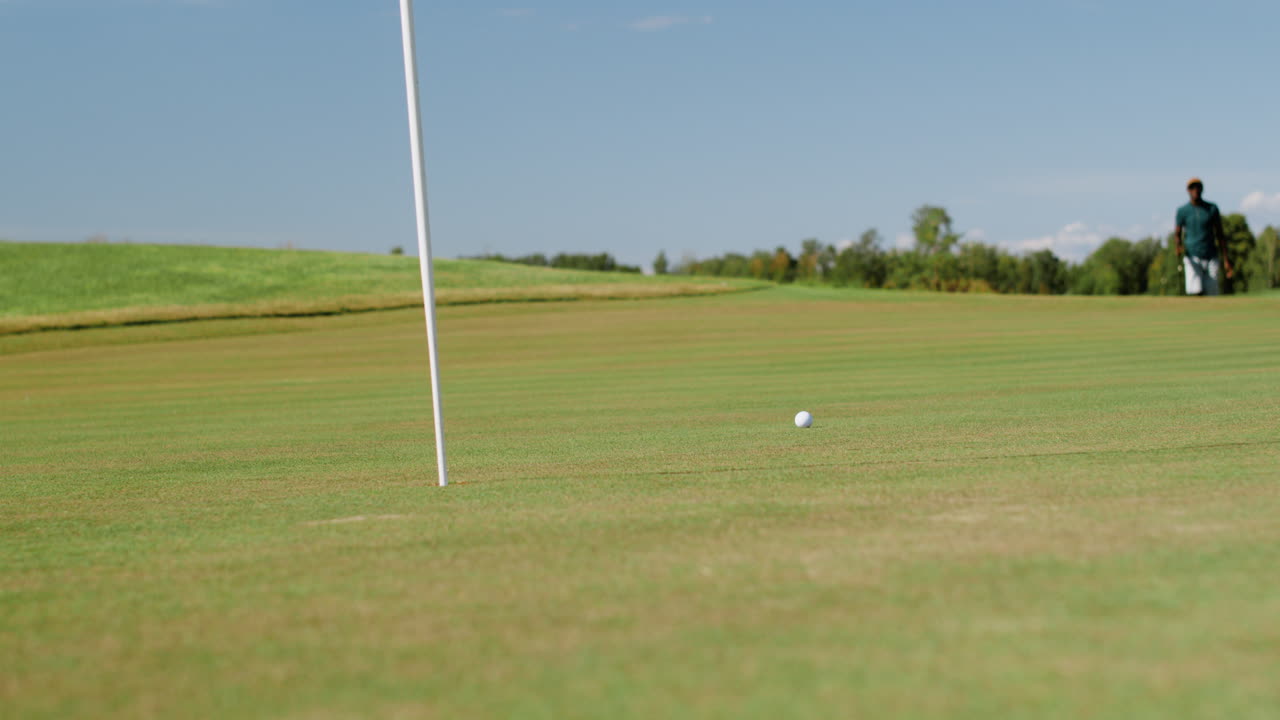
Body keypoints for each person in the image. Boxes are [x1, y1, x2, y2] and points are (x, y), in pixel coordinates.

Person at [1174, 178, 1233, 296]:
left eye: (1197, 187)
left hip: (1211, 255)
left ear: (1202, 189)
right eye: (1192, 187)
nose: (1195, 190)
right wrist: (1178, 245)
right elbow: (1177, 233)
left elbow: (1220, 235)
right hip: (1192, 256)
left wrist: (1226, 259)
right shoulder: (1182, 211)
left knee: (1212, 293)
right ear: (1188, 190)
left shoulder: (1212, 208)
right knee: (1195, 291)